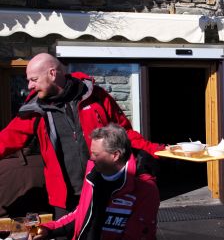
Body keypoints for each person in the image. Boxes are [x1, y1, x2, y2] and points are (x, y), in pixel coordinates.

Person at [0, 53, 163, 217]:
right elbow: (7, 139)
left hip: (103, 188)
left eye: (34, 79)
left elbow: (124, 133)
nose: (29, 86)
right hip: (65, 199)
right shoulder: (35, 109)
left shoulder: (95, 96)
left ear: (52, 73)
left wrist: (156, 150)